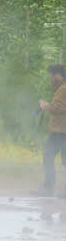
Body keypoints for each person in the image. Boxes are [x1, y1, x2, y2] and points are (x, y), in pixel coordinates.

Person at [43, 64, 66, 196]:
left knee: (47, 155)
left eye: (52, 76)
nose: (51, 79)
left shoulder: (63, 89)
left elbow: (57, 108)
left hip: (60, 131)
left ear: (58, 75)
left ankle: (48, 187)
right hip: (62, 130)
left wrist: (46, 105)